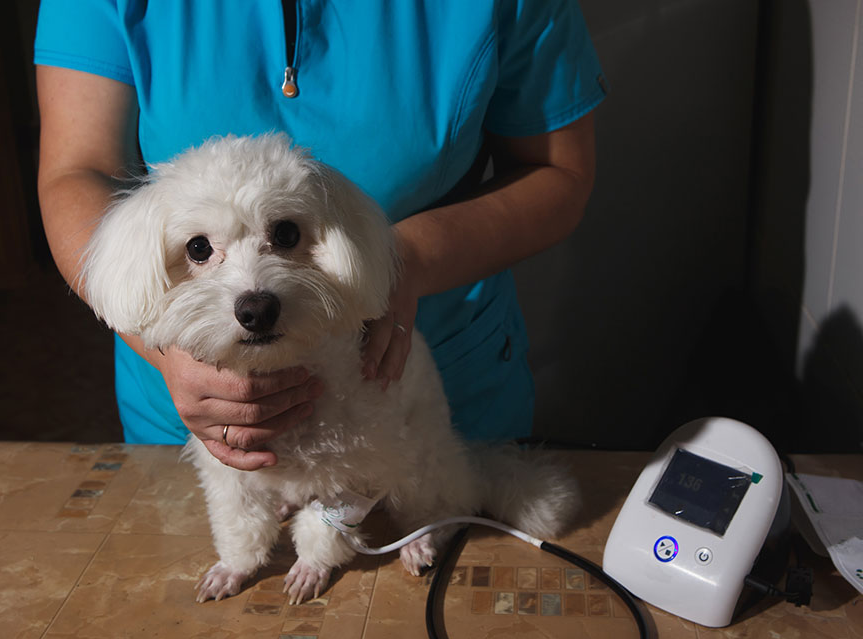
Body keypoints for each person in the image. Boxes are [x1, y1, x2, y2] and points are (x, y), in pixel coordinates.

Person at [34, 0, 606, 471]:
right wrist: (161, 350)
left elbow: (560, 171)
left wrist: (404, 258)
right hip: (188, 410)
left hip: (433, 398)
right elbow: (76, 170)